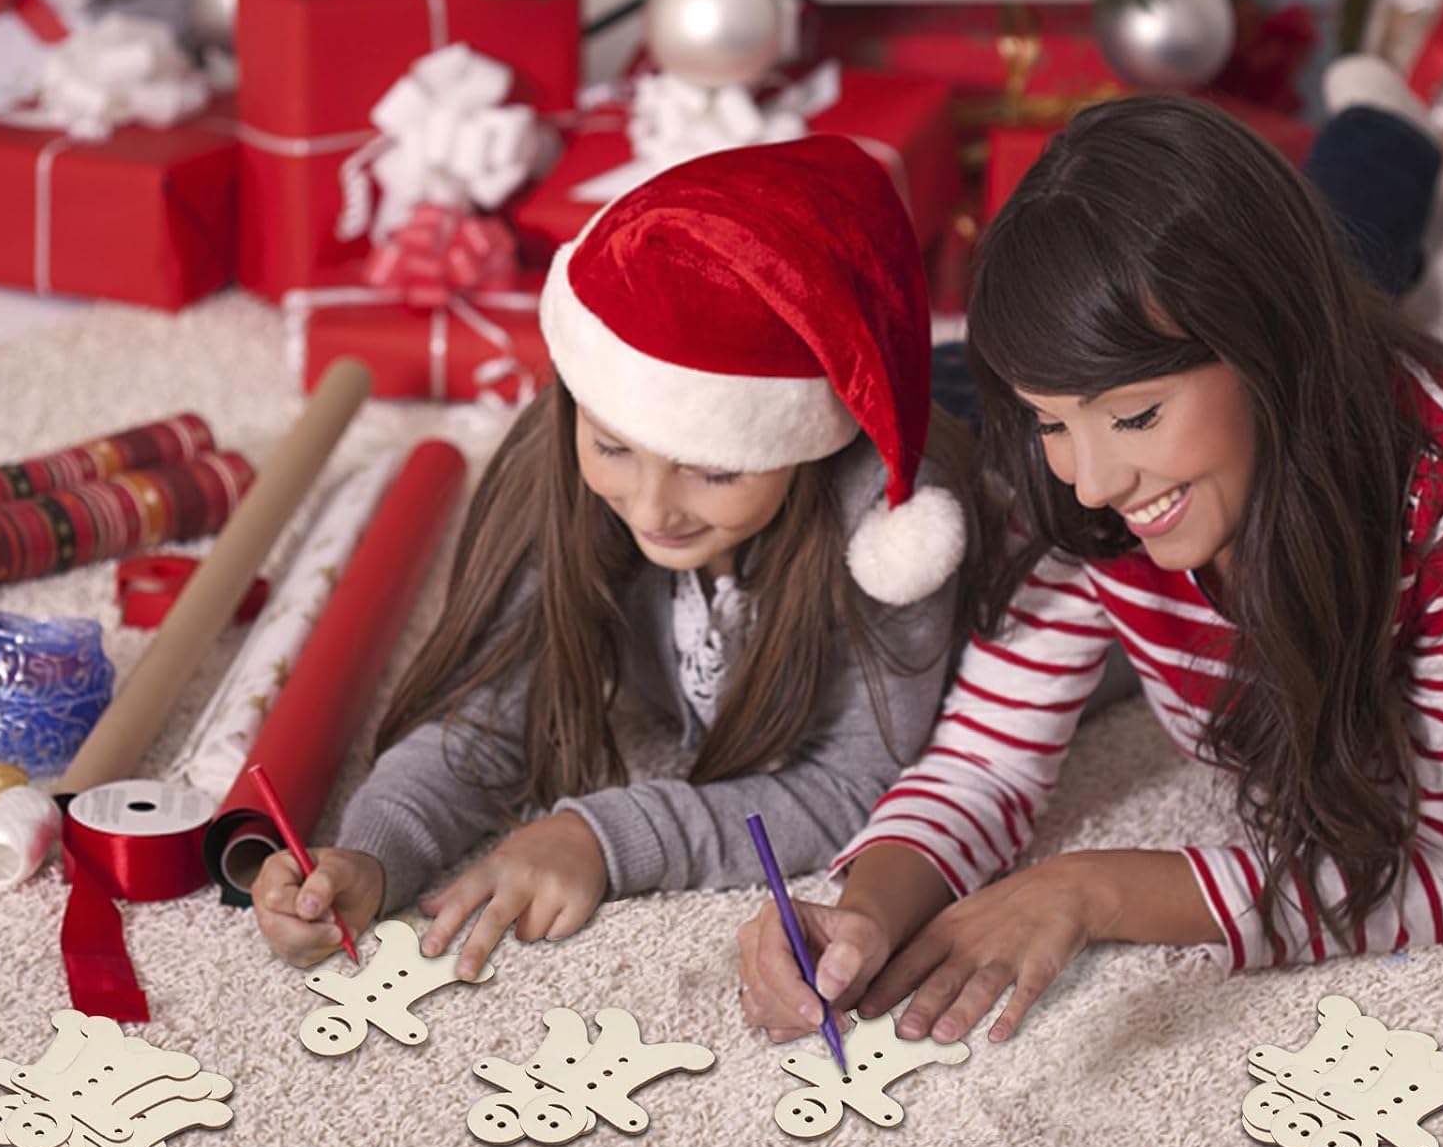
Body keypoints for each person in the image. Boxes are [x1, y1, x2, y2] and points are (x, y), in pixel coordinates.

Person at [738, 74, 1443, 1052]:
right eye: (1051, 421)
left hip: (1382, 406)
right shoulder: (1089, 502)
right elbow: (986, 757)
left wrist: (1096, 889)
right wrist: (866, 908)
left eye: (1135, 416)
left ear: (1273, 348)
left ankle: (1391, 134)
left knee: (1363, 253)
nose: (1091, 481)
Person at [252, 134, 998, 978]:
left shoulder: (900, 526)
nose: (650, 510)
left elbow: (854, 787)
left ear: (806, 446)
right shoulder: (571, 452)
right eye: (613, 449)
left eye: (715, 471)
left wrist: (601, 838)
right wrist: (374, 855)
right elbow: (488, 712)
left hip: (989, 435)